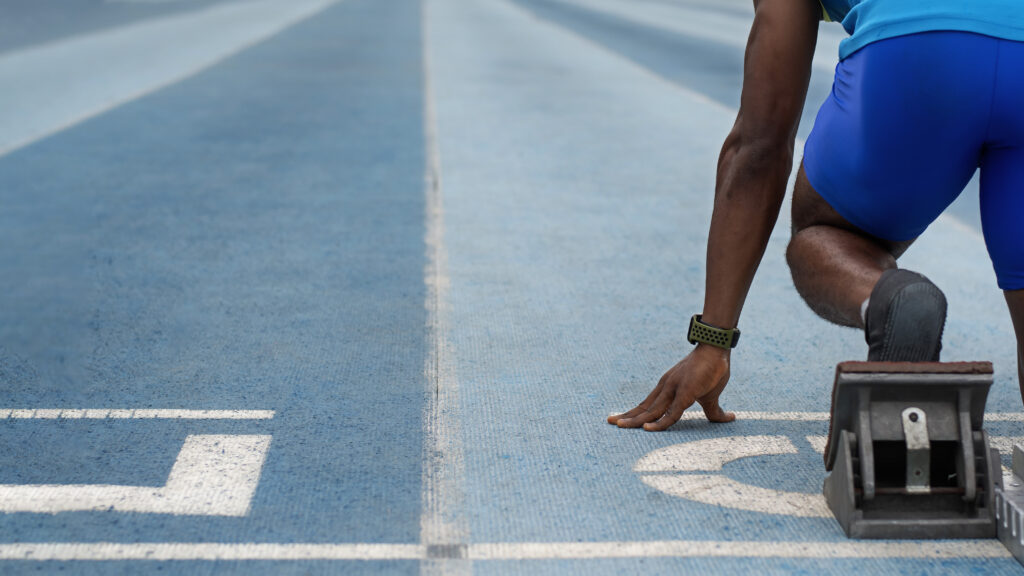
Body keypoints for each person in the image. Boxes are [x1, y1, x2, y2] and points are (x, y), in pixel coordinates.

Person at [609, 0, 1024, 431]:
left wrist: (712, 341)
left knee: (824, 233)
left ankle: (890, 298)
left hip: (914, 51)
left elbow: (759, 144)